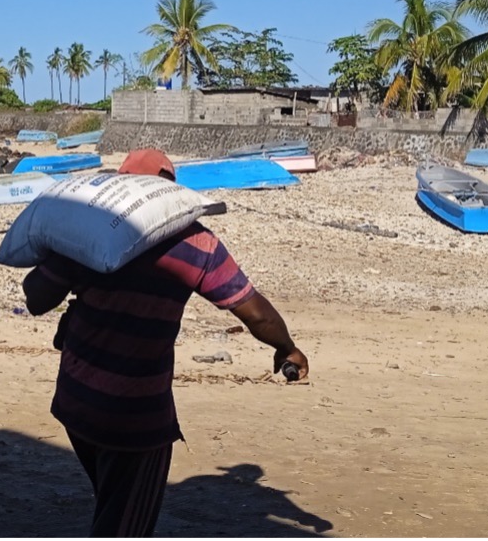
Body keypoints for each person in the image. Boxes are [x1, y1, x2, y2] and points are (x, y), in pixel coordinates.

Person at [22, 147, 310, 537]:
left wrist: (62, 255)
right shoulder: (196, 243)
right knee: (124, 526)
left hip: (77, 404)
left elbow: (36, 299)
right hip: (136, 419)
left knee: (112, 505)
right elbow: (254, 312)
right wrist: (286, 347)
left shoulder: (86, 234)